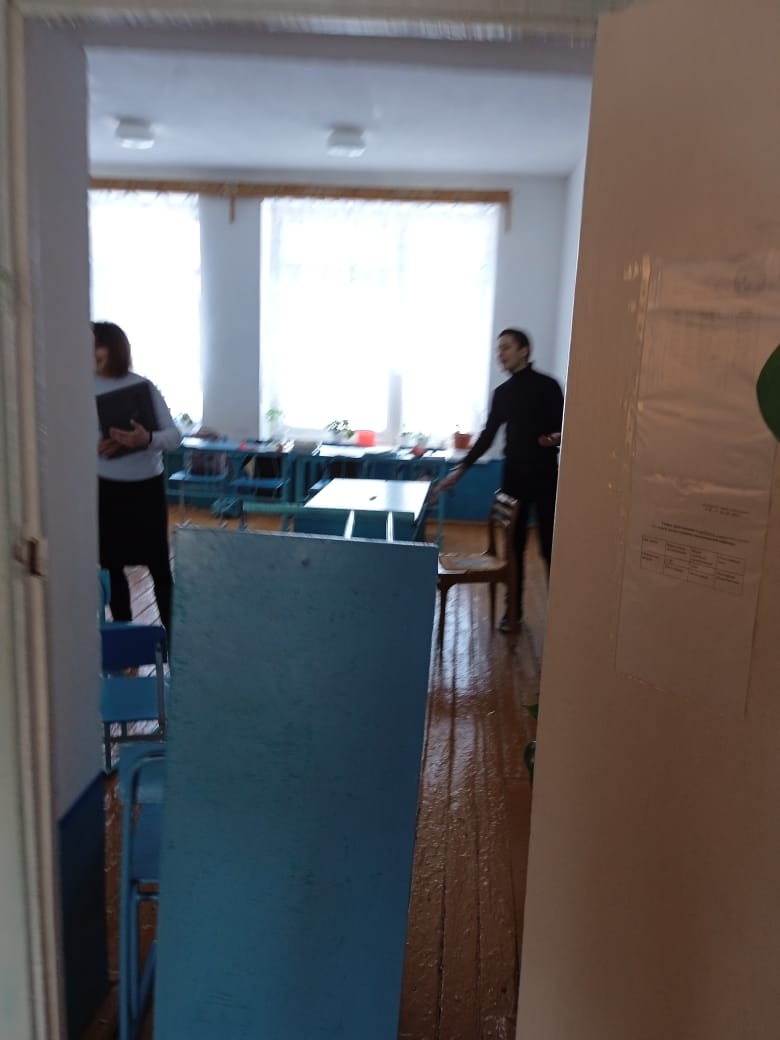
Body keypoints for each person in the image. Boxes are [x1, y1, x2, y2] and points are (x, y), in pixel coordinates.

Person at [438, 328, 563, 630]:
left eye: (506, 348)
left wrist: (555, 438)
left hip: (546, 476)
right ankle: (513, 612)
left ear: (524, 350)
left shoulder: (548, 386)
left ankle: (561, 616)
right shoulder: (503, 393)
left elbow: (564, 426)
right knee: (514, 548)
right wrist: (461, 469)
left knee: (550, 547)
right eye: (498, 349)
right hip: (514, 478)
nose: (500, 354)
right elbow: (487, 436)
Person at [94, 321, 182, 636]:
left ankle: (175, 642)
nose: (89, 352)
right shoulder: (78, 390)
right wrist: (96, 447)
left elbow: (174, 437)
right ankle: (125, 642)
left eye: (96, 345)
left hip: (146, 490)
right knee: (111, 566)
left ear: (114, 348)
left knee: (159, 568)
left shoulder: (143, 386)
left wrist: (146, 439)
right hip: (105, 489)